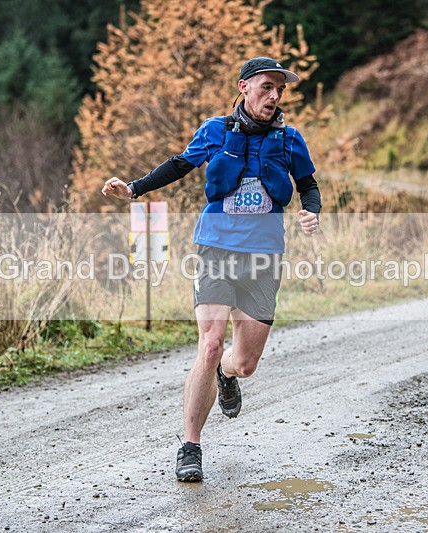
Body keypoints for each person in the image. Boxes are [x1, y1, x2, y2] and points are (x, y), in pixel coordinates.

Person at [101, 57, 321, 482]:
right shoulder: (216, 130)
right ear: (244, 87)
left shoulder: (291, 139)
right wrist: (133, 188)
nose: (274, 95)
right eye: (266, 87)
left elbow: (308, 185)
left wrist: (310, 211)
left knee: (245, 362)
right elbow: (180, 164)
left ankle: (227, 374)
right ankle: (190, 446)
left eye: (280, 89)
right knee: (209, 342)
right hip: (216, 248)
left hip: (263, 257)